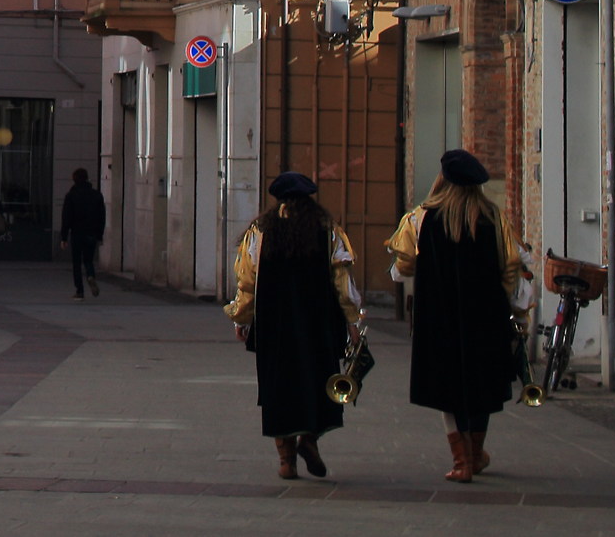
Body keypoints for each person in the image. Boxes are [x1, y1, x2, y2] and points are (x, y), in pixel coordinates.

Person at [390, 148, 529, 483]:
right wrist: (514, 306)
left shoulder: (421, 218)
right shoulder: (493, 218)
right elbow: (512, 266)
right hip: (485, 315)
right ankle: (477, 454)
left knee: (446, 387)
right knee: (481, 384)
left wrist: (402, 269)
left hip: (438, 316)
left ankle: (462, 461)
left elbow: (402, 265)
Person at [225, 172, 364, 481]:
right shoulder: (327, 230)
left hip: (275, 325)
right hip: (319, 325)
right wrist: (353, 320)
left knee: (278, 388)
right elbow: (342, 280)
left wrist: (241, 318)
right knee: (318, 383)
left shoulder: (260, 232)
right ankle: (310, 440)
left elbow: (247, 281)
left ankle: (286, 460)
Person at [58, 167, 106, 300]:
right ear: (87, 178)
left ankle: (79, 291)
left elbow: (66, 217)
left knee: (76, 263)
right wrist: (100, 234)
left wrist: (63, 237)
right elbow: (102, 216)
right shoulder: (97, 195)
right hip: (91, 233)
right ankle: (90, 275)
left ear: (74, 180)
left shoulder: (71, 195)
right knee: (89, 260)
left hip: (77, 233)